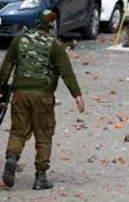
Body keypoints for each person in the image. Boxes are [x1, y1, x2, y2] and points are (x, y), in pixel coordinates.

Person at [1, 10, 84, 191]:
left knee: (17, 131)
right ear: (53, 26)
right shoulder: (55, 45)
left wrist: (1, 91)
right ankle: (40, 177)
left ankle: (11, 159)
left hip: (20, 94)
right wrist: (77, 95)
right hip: (43, 96)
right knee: (44, 135)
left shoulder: (19, 41)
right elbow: (66, 72)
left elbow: (6, 67)